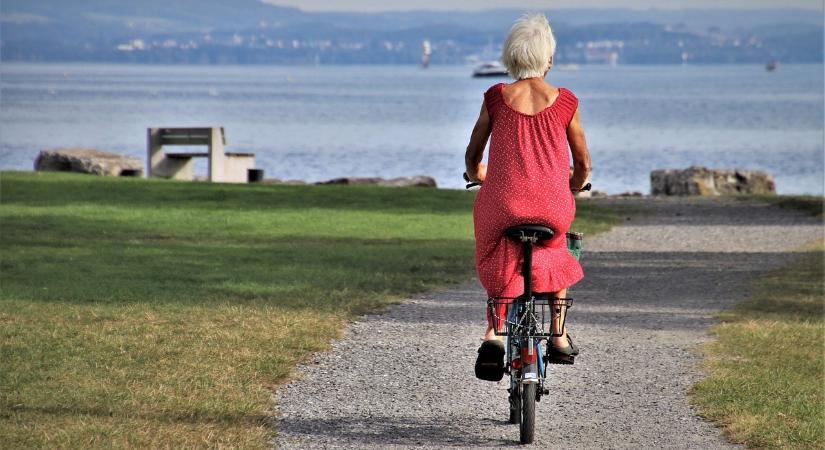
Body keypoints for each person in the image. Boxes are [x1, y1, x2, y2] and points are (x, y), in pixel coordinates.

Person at [465, 13, 591, 378]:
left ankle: (495, 334)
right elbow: (581, 161)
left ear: (511, 58)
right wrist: (575, 183)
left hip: (502, 203)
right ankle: (558, 333)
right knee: (556, 248)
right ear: (548, 59)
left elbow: (474, 155)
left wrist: (479, 175)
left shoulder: (496, 97)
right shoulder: (566, 101)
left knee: (499, 246)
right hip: (551, 206)